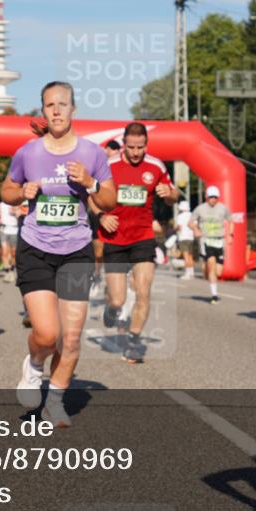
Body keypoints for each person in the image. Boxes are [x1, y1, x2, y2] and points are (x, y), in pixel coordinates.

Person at [2, 81, 115, 427]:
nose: (56, 110)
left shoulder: (92, 154)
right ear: (43, 112)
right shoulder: (28, 153)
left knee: (70, 338)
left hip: (77, 251)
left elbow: (110, 200)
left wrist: (91, 184)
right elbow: (5, 190)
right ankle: (34, 366)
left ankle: (55, 401)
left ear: (73, 110)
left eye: (62, 104)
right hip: (36, 248)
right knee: (47, 334)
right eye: (49, 105)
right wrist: (21, 191)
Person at [96, 122, 178, 363]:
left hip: (143, 237)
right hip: (115, 237)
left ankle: (133, 341)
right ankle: (111, 308)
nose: (135, 152)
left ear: (146, 145)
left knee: (143, 292)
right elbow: (92, 197)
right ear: (123, 144)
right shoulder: (109, 165)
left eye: (140, 147)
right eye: (131, 147)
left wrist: (169, 194)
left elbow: (173, 196)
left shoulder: (156, 165)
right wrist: (101, 216)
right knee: (118, 299)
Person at [189, 186, 232, 305]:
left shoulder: (223, 208)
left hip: (219, 241)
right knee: (212, 266)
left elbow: (230, 220)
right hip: (206, 240)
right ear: (206, 197)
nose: (213, 199)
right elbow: (190, 222)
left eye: (215, 197)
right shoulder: (200, 209)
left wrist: (230, 235)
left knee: (218, 272)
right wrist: (196, 229)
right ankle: (214, 295)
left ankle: (207, 270)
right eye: (211, 197)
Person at [90, 139, 121, 298]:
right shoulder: (101, 165)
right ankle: (96, 277)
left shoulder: (123, 166)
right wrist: (99, 214)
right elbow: (90, 195)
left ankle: (113, 287)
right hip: (100, 216)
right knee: (99, 253)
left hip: (118, 217)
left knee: (113, 254)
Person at [0, 199, 20, 282]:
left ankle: (12, 269)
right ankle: (7, 272)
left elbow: (18, 213)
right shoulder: (1, 204)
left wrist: (15, 209)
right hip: (4, 229)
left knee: (13, 253)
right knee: (4, 251)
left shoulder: (16, 202)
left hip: (14, 229)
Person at [174, 200, 196, 280]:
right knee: (190, 256)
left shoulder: (180, 216)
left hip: (183, 237)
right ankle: (192, 272)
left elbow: (179, 227)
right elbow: (195, 225)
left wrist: (175, 229)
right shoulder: (192, 215)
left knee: (186, 256)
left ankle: (187, 273)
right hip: (191, 237)